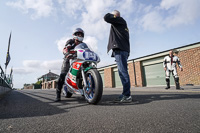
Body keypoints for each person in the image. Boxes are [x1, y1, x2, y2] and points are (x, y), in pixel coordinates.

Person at [104, 10, 132, 102]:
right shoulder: (121, 24)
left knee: (123, 72)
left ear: (115, 16)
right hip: (122, 50)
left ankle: (127, 95)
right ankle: (125, 94)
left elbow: (106, 17)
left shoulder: (120, 20)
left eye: (113, 15)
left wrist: (112, 15)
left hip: (120, 50)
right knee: (121, 72)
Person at [55, 28, 85, 102]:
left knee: (82, 73)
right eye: (78, 34)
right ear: (74, 35)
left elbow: (87, 50)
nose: (79, 35)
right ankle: (58, 94)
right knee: (63, 74)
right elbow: (66, 48)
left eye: (81, 34)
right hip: (69, 59)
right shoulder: (70, 41)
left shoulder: (83, 44)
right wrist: (67, 53)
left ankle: (84, 89)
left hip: (79, 60)